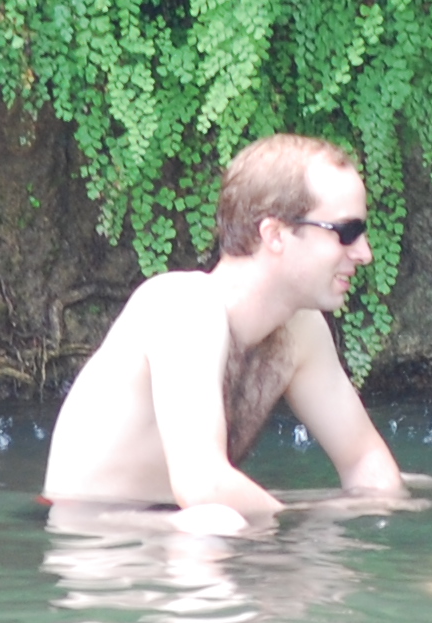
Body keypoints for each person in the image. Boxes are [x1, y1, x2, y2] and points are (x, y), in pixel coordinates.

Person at [43, 133, 412, 533]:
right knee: (216, 521)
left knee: (406, 490)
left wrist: (392, 520)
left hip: (182, 529)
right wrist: (293, 529)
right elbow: (203, 485)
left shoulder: (301, 331)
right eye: (346, 232)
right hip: (99, 538)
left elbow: (364, 461)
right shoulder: (185, 307)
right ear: (275, 234)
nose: (364, 253)